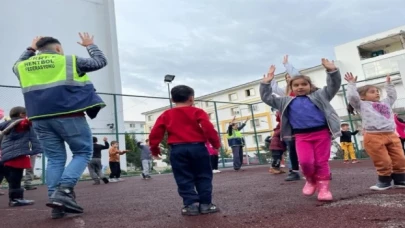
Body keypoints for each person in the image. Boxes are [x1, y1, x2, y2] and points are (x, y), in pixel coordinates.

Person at [12, 33, 107, 219]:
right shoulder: (69, 60)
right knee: (82, 152)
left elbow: (17, 63)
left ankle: (56, 204)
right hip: (69, 115)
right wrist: (90, 45)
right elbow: (100, 61)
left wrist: (30, 49)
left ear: (37, 50)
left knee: (55, 159)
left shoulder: (22, 67)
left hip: (39, 119)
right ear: (57, 49)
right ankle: (63, 192)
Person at [260, 58, 341, 201]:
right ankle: (310, 180)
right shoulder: (285, 101)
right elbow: (267, 98)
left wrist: (332, 71)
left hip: (321, 134)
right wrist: (266, 83)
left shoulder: (320, 95)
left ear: (310, 86)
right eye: (296, 85)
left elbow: (333, 86)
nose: (300, 87)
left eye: (304, 84)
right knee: (305, 162)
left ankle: (323, 188)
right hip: (301, 136)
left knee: (321, 162)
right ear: (291, 88)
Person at [149, 85, 221, 216]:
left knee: (183, 177)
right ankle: (206, 204)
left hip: (177, 149)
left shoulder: (166, 114)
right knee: (203, 175)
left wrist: (154, 149)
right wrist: (216, 144)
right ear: (191, 98)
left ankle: (190, 205)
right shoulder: (198, 112)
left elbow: (155, 132)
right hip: (198, 148)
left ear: (172, 99)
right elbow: (208, 128)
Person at [346, 72, 405, 190]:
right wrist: (351, 84)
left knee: (400, 158)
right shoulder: (362, 104)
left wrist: (389, 84)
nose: (377, 93)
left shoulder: (386, 103)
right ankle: (384, 180)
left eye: (377, 91)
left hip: (391, 135)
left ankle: (400, 179)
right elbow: (352, 97)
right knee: (383, 160)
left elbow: (392, 96)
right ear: (362, 96)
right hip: (374, 136)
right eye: (372, 92)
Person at [0, 106, 42, 207]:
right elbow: (26, 123)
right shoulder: (20, 124)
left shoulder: (8, 124)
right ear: (21, 115)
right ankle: (15, 199)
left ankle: (16, 198)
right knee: (16, 177)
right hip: (16, 155)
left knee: (12, 177)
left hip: (9, 154)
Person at [269, 55, 301, 181]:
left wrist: (287, 65)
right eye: (287, 77)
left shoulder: (303, 90)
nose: (289, 79)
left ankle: (319, 168)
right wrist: (271, 77)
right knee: (290, 145)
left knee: (306, 145)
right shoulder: (285, 92)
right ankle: (293, 170)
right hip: (288, 123)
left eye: (290, 76)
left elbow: (297, 76)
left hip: (303, 122)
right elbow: (274, 88)